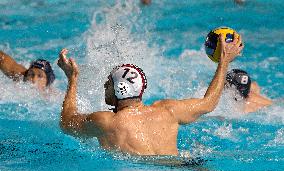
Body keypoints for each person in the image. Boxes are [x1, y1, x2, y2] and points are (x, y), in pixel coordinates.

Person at [57, 33, 243, 156]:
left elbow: (66, 123)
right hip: (182, 169)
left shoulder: (106, 122)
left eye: (107, 85)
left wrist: (72, 79)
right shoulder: (169, 110)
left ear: (119, 89)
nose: (104, 88)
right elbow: (208, 103)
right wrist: (224, 62)